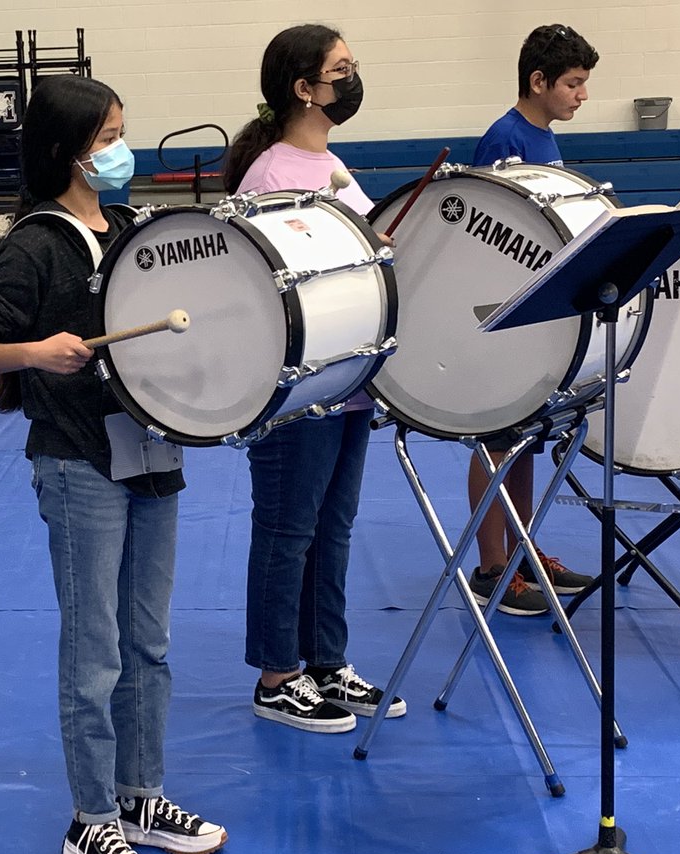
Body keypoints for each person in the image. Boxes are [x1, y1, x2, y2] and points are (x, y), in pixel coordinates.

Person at [0, 75, 226, 854]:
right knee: (95, 648)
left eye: (121, 131)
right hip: (76, 461)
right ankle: (91, 819)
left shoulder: (139, 229)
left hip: (153, 454)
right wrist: (37, 352)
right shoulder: (35, 243)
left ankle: (141, 798)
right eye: (107, 135)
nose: (119, 149)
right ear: (69, 150)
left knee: (150, 642)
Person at [222, 24, 405, 734]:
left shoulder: (331, 163)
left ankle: (326, 660)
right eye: (342, 69)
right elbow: (263, 288)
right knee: (287, 528)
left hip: (350, 376)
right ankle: (277, 675)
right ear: (304, 88)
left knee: (334, 527)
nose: (353, 79)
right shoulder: (270, 176)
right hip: (298, 386)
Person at [466, 24, 600, 615]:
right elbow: (486, 234)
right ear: (538, 81)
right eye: (573, 83)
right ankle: (491, 566)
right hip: (500, 312)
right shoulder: (505, 140)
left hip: (537, 313)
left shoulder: (544, 138)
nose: (582, 95)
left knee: (525, 440)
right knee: (495, 441)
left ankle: (521, 549)